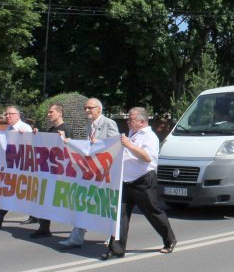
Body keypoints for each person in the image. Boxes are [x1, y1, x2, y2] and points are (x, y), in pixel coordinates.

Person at [102, 107, 177, 260]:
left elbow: (147, 157)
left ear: (142, 122)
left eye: (131, 119)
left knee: (153, 213)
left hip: (143, 181)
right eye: (128, 119)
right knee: (120, 216)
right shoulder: (132, 134)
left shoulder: (149, 137)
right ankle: (117, 249)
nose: (128, 122)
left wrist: (129, 145)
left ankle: (169, 240)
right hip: (126, 181)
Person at [59, 97, 119, 248]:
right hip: (91, 171)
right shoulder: (89, 125)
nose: (86, 111)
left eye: (90, 108)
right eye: (85, 108)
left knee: (107, 205)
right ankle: (76, 237)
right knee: (84, 203)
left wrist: (98, 144)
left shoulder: (108, 123)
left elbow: (114, 144)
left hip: (106, 173)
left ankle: (112, 238)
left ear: (99, 109)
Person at [0, 106, 34, 229]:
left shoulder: (25, 128)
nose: (8, 116)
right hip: (12, 167)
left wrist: (24, 136)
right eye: (6, 114)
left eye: (11, 114)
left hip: (24, 167)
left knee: (24, 192)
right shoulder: (8, 128)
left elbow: (32, 146)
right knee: (10, 191)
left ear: (18, 115)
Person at [29, 103, 74, 238]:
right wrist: (37, 135)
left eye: (51, 112)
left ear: (60, 113)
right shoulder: (50, 130)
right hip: (49, 171)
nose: (49, 114)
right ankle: (44, 227)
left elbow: (70, 148)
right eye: (48, 112)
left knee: (66, 202)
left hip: (61, 173)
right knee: (44, 199)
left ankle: (80, 226)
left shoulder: (66, 128)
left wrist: (63, 138)